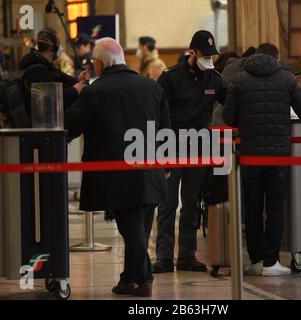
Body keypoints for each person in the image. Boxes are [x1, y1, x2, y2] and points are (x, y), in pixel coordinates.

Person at [64, 37, 170, 297]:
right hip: (151, 169)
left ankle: (144, 280)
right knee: (139, 231)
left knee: (131, 231)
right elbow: (166, 129)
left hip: (117, 176)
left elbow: (71, 126)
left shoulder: (96, 91)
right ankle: (128, 279)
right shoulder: (151, 87)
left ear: (99, 63)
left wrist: (73, 93)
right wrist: (165, 165)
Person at [223, 43, 301, 276]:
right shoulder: (286, 78)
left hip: (251, 154)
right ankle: (271, 262)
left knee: (252, 209)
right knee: (274, 208)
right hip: (278, 154)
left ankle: (255, 261)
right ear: (277, 57)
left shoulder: (239, 80)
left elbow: (229, 118)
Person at [153, 30, 227, 273]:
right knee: (167, 203)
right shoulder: (170, 78)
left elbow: (231, 102)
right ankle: (164, 257)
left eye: (211, 55)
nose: (209, 59)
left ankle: (187, 255)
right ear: (192, 53)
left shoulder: (214, 79)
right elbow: (156, 112)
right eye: (204, 55)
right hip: (170, 146)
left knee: (192, 203)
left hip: (198, 148)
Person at [19, 29, 88, 112]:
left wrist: (78, 81)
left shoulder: (47, 66)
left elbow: (62, 79)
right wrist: (74, 90)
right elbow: (50, 100)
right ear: (51, 48)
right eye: (59, 44)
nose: (61, 48)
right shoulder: (36, 71)